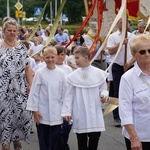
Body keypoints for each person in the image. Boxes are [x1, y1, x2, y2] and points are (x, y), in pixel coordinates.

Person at [61, 46, 108, 150]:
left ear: (86, 57)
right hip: (80, 111)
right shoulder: (73, 76)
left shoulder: (98, 73)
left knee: (94, 138)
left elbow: (103, 89)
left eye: (77, 58)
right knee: (81, 139)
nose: (75, 61)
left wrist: (104, 96)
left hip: (94, 111)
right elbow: (68, 95)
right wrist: (67, 112)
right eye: (75, 58)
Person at [0, 19, 33, 150]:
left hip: (20, 89)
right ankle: (5, 145)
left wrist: (30, 85)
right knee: (5, 117)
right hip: (3, 90)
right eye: (9, 30)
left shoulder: (21, 47)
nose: (12, 33)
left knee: (20, 116)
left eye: (14, 31)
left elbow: (28, 68)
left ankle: (16, 140)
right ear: (4, 31)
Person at [27, 46, 67, 150]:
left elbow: (64, 93)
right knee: (44, 139)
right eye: (47, 57)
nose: (50, 59)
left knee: (55, 139)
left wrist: (65, 111)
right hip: (42, 112)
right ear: (43, 58)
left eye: (52, 57)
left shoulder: (61, 73)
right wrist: (35, 111)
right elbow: (34, 93)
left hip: (56, 112)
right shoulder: (40, 73)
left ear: (57, 58)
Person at [119, 34, 150, 150]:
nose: (147, 54)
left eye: (149, 50)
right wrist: (134, 138)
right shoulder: (128, 78)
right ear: (133, 54)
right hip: (140, 137)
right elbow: (125, 110)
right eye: (142, 52)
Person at [107, 18, 135, 127]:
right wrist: (121, 43)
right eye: (120, 22)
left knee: (131, 91)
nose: (123, 24)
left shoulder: (133, 36)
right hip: (117, 66)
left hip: (130, 65)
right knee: (117, 91)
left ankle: (129, 115)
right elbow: (110, 50)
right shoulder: (113, 36)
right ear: (117, 24)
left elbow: (136, 52)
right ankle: (116, 117)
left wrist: (130, 62)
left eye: (125, 22)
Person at [55, 45, 72, 150]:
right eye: (59, 54)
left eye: (63, 54)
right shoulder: (50, 67)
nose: (62, 57)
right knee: (57, 127)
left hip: (66, 101)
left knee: (67, 125)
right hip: (55, 101)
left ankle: (64, 142)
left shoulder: (68, 69)